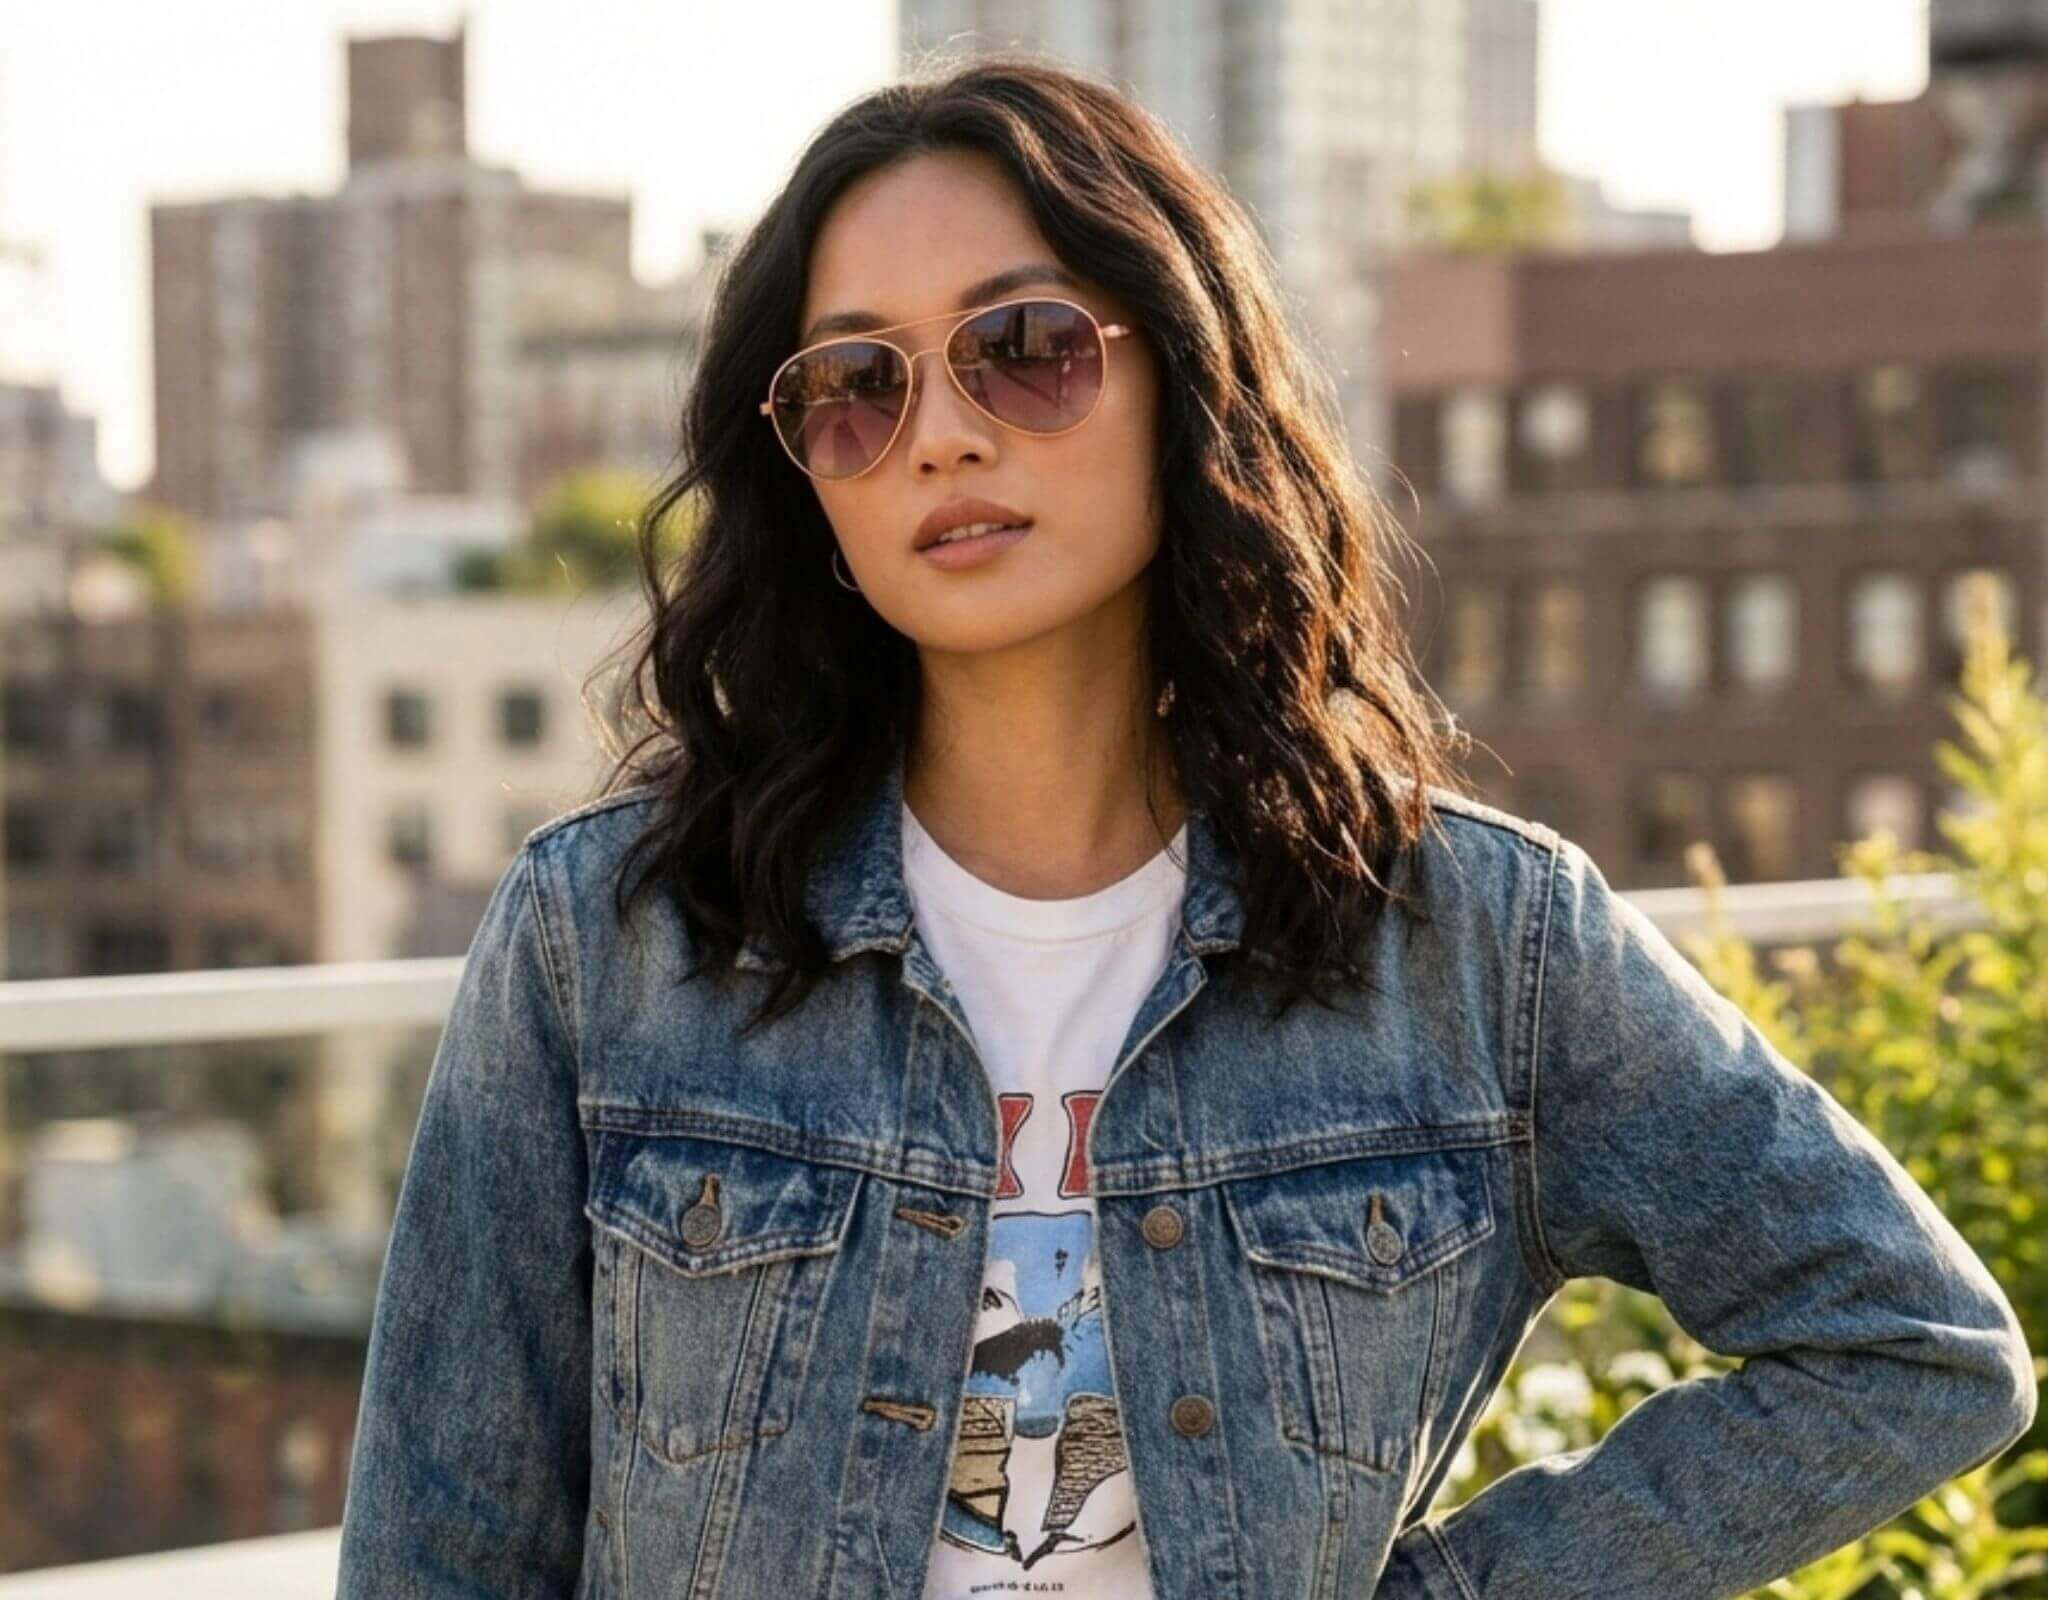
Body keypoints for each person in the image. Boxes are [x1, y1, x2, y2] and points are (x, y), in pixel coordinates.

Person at [334, 51, 2037, 1600]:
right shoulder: (612, 941)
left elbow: (1909, 1344)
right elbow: (442, 1555)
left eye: (1025, 348)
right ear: (806, 478)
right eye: (857, 387)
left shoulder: (1472, 946)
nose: (940, 432)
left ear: (1184, 374)